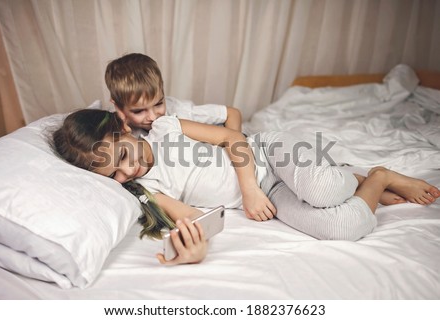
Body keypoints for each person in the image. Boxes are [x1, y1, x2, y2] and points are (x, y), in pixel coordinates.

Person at [52, 109, 440, 266]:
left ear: (123, 130)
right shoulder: (146, 188)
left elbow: (233, 139)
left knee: (325, 192)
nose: (129, 170)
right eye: (115, 175)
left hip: (266, 155)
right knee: (340, 229)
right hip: (271, 193)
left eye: (123, 155)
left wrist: (250, 189)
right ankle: (377, 179)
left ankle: (351, 177)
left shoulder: (166, 128)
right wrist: (191, 249)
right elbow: (193, 217)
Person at [105, 53, 242, 137]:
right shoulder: (116, 129)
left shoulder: (180, 111)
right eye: (139, 111)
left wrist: (233, 149)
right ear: (118, 107)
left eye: (158, 103)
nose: (153, 117)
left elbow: (232, 113)